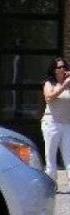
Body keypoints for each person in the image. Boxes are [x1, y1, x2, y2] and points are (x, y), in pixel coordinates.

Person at [42, 57, 70, 185]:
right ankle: (51, 185)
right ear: (54, 70)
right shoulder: (49, 83)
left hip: (67, 124)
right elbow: (49, 98)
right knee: (51, 157)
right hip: (51, 123)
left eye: (64, 66)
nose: (62, 69)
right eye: (59, 67)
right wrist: (64, 86)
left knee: (68, 156)